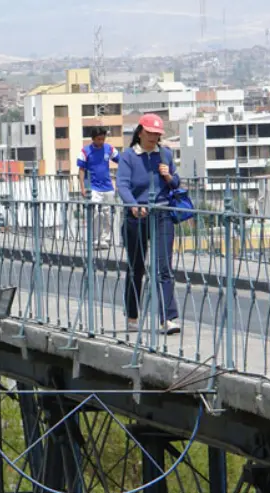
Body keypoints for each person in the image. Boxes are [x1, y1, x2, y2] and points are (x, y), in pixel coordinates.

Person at [116, 113, 181, 334]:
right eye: (150, 133)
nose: (154, 137)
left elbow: (176, 183)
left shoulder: (165, 154)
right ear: (141, 132)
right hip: (137, 216)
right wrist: (133, 205)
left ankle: (168, 318)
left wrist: (168, 176)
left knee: (164, 267)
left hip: (162, 213)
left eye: (157, 134)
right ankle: (132, 315)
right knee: (137, 267)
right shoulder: (128, 157)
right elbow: (122, 185)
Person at [77, 126, 119, 249]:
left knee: (107, 214)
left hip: (107, 187)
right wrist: (82, 187)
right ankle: (96, 240)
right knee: (95, 213)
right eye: (99, 139)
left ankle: (105, 239)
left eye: (103, 139)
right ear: (93, 138)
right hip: (93, 187)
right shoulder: (85, 151)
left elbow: (121, 160)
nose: (101, 141)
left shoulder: (109, 149)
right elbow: (81, 169)